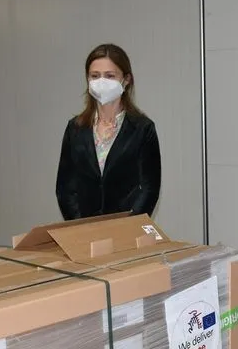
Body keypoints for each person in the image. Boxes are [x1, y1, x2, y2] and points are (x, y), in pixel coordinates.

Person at [55, 43, 161, 219]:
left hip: (126, 230)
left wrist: (129, 226)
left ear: (126, 80)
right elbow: (65, 189)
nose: (101, 82)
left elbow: (149, 189)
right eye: (95, 76)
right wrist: (78, 227)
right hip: (83, 230)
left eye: (110, 76)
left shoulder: (143, 129)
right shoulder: (75, 128)